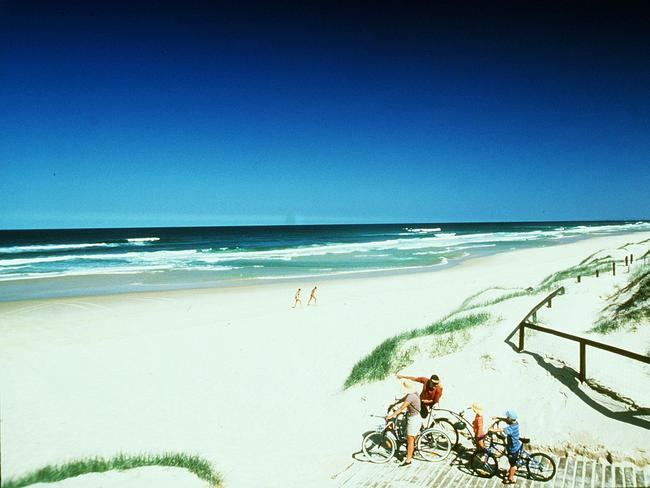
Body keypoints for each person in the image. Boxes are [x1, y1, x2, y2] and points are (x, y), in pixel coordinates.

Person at [385, 380, 421, 467]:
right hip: (416, 417)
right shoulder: (415, 393)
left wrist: (391, 416)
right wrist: (396, 402)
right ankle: (411, 452)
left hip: (413, 420)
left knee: (410, 440)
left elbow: (401, 408)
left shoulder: (410, 397)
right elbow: (405, 399)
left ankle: (408, 460)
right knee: (411, 438)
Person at [489, 410, 521, 484]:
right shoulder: (515, 423)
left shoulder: (511, 428)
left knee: (513, 464)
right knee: (511, 461)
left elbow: (502, 429)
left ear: (510, 418)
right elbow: (506, 420)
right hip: (516, 445)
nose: (506, 418)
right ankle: (510, 472)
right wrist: (498, 418)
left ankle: (510, 479)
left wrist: (493, 430)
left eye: (507, 417)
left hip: (513, 449)